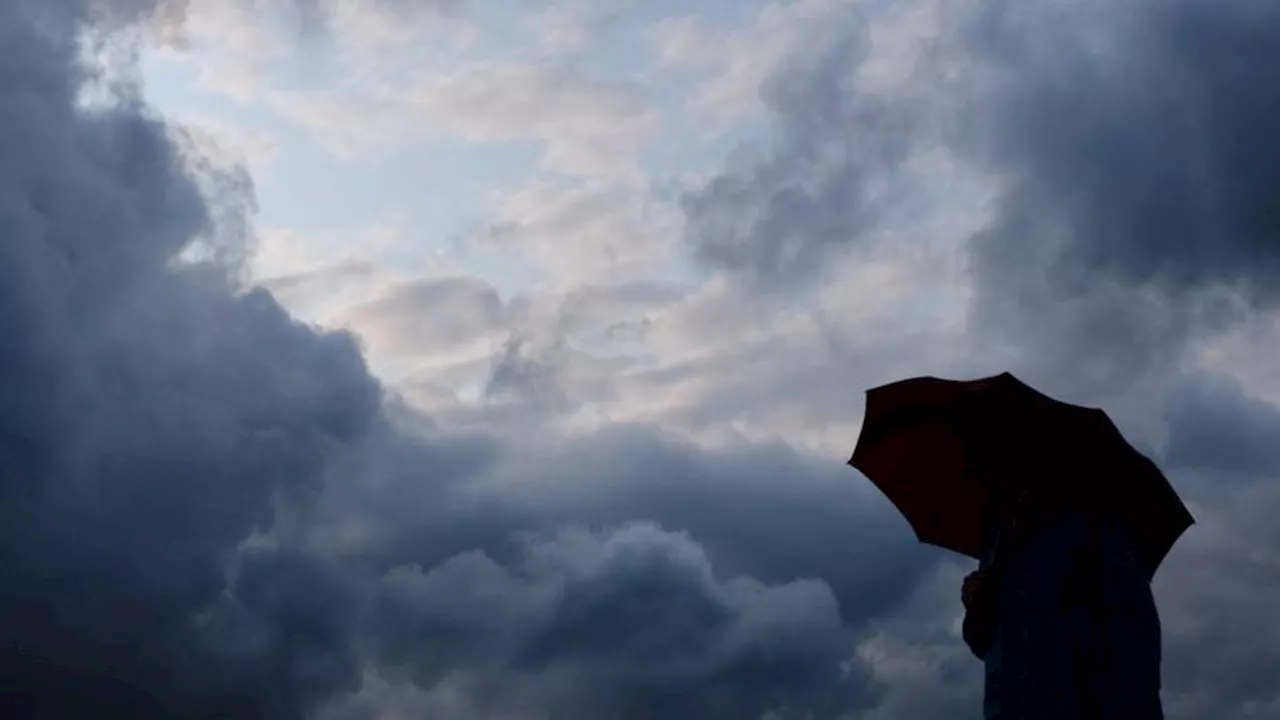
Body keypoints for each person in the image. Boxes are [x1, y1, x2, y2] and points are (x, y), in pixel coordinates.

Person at [960, 477, 1165, 719]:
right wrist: (976, 604)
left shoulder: (1094, 517)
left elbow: (1132, 632)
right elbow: (989, 641)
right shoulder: (999, 527)